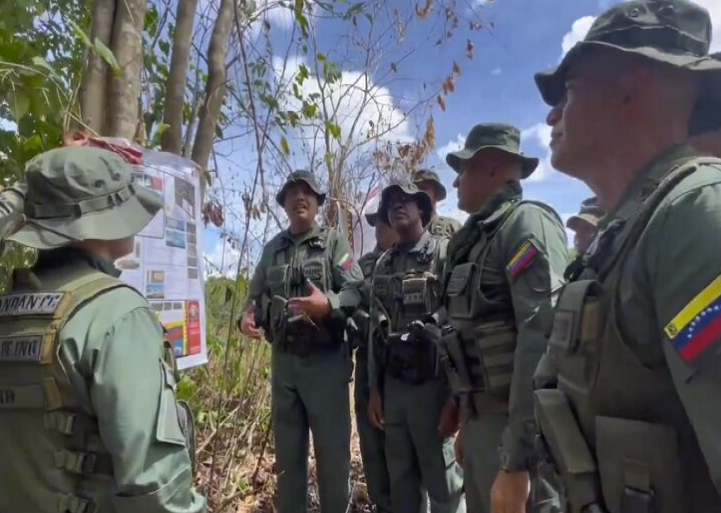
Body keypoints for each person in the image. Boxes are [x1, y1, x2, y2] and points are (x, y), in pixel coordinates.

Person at [533, 1, 721, 512]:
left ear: (629, 89)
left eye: (568, 92)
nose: (552, 114)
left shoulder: (695, 220)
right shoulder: (632, 228)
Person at [0, 146, 205, 513]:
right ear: (101, 222)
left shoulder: (9, 310)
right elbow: (158, 492)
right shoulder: (116, 314)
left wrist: (30, 188)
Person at [437, 123, 567, 513]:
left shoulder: (526, 224)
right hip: (483, 425)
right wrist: (465, 413)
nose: (457, 182)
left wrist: (517, 457)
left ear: (492, 167)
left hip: (518, 431)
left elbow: (542, 337)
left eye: (464, 170)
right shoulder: (478, 238)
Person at [239, 170, 363, 513]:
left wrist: (330, 305)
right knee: (288, 460)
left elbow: (357, 290)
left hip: (326, 364)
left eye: (307, 192)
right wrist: (246, 318)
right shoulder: (272, 250)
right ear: (284, 204)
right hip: (285, 367)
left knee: (333, 460)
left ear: (317, 201)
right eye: (292, 193)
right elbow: (253, 298)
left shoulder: (333, 243)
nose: (300, 198)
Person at [365, 182, 465, 513]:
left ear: (422, 208)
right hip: (394, 388)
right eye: (391, 202)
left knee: (443, 483)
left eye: (405, 200)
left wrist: (457, 395)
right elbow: (374, 335)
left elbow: (460, 321)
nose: (397, 206)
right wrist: (374, 389)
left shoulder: (443, 253)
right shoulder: (383, 265)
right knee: (402, 482)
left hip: (433, 386)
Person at [348, 210, 398, 513]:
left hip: (399, 369)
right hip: (366, 365)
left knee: (400, 446)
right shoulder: (361, 265)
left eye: (385, 220)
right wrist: (360, 320)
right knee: (370, 443)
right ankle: (382, 503)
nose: (380, 226)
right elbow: (346, 300)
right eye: (376, 221)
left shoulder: (411, 259)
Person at [411, 169, 462, 238]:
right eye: (414, 189)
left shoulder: (451, 227)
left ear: (436, 195)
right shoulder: (403, 232)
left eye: (424, 188)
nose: (418, 193)